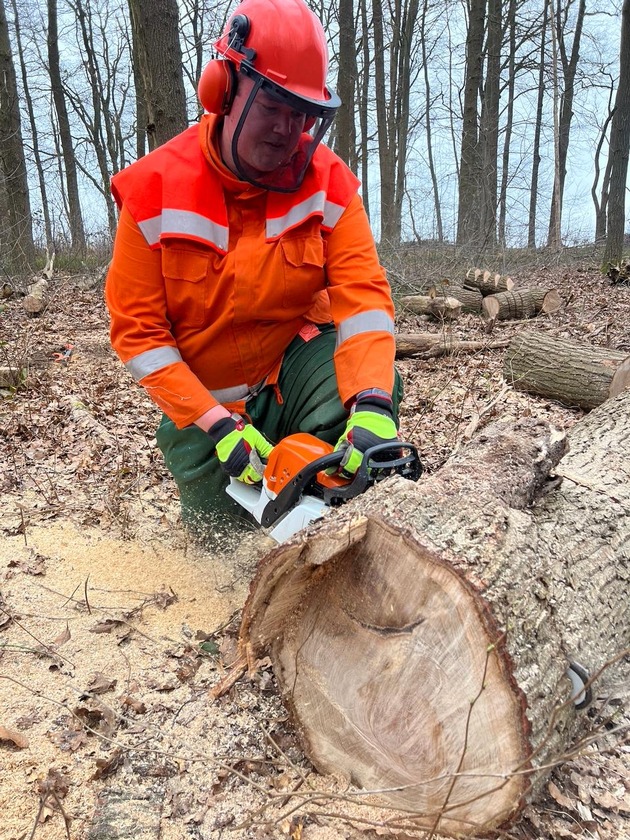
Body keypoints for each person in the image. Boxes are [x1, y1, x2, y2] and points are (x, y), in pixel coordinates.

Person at [105, 0, 403, 545]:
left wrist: (374, 406)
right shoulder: (153, 193)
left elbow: (363, 297)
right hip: (205, 410)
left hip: (291, 371)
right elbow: (139, 334)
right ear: (223, 88)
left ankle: (326, 523)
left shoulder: (327, 184)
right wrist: (216, 423)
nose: (288, 129)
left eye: (302, 113)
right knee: (221, 556)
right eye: (273, 105)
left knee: (367, 392)